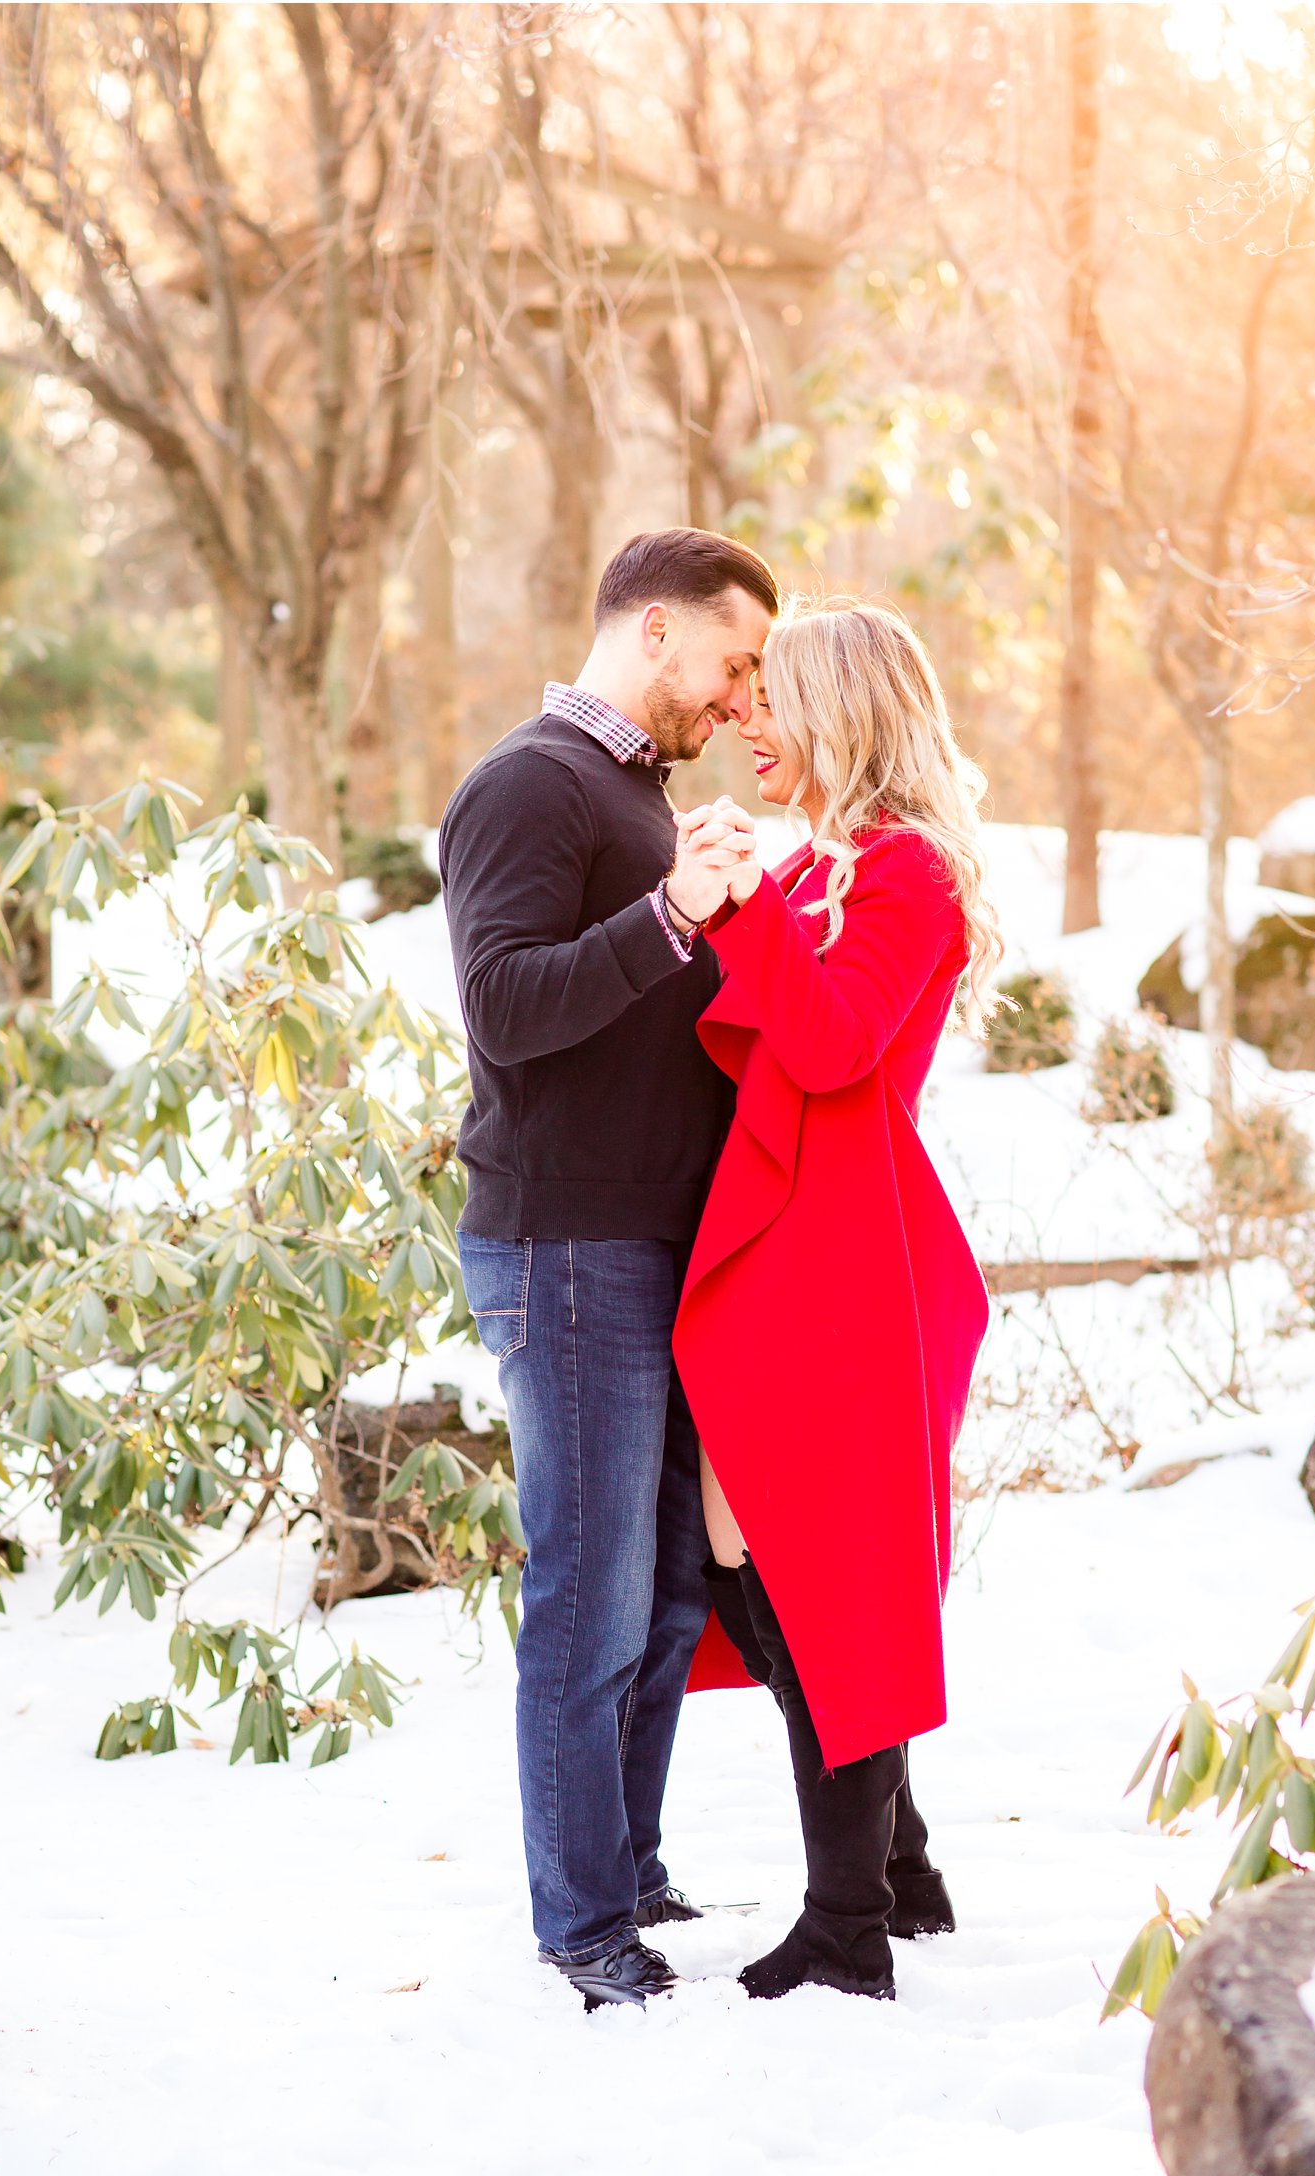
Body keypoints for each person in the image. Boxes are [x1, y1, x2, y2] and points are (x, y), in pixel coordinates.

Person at [436, 527, 778, 2011]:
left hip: (646, 1247)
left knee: (664, 1594)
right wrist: (668, 919)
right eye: (734, 657)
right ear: (653, 630)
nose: (741, 691)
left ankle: (625, 1865)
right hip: (566, 1247)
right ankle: (582, 1923)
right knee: (589, 1596)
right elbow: (507, 1007)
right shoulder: (527, 783)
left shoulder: (636, 795)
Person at [672, 596, 1005, 2002]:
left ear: (841, 712)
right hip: (791, 1253)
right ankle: (900, 1864)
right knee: (774, 1567)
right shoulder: (830, 867)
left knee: (808, 1580)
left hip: (850, 1268)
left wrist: (749, 905)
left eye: (771, 696)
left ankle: (846, 1921)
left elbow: (824, 1042)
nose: (749, 719)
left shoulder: (908, 872)